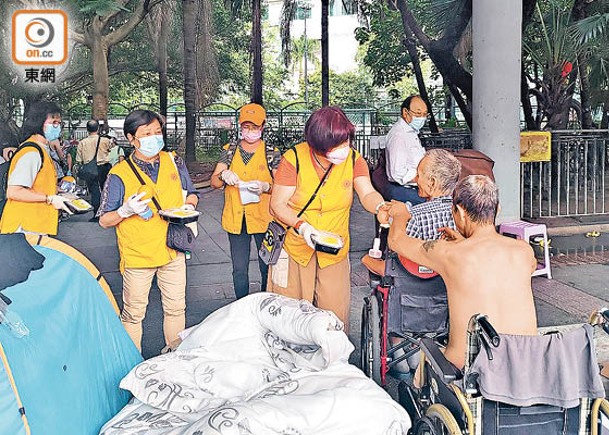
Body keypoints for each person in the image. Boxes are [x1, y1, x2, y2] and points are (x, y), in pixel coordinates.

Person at [384, 175, 538, 374]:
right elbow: (489, 263)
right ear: (497, 210)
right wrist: (460, 242)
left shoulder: (448, 253)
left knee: (425, 363)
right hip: (523, 368)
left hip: (468, 371)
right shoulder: (524, 252)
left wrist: (400, 215)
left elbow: (396, 241)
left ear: (461, 212)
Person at [269, 106, 388, 330]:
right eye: (336, 145)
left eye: (345, 142)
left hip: (334, 249)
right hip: (296, 247)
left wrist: (380, 206)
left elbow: (367, 192)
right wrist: (302, 227)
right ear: (317, 145)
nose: (343, 149)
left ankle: (332, 361)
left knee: (334, 317)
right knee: (290, 316)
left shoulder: (354, 160)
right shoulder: (293, 159)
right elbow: (277, 205)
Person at [98, 110, 199, 353]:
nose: (155, 137)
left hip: (172, 249)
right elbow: (104, 220)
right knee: (133, 314)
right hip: (138, 256)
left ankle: (173, 360)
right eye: (147, 134)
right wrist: (125, 210)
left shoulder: (174, 161)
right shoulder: (119, 174)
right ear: (131, 138)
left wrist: (189, 205)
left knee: (176, 308)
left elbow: (193, 192)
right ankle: (131, 363)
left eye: (158, 132)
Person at [210, 103, 280, 299]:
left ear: (263, 127)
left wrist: (266, 187)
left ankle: (266, 305)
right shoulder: (230, 151)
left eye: (255, 127)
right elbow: (214, 182)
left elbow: (282, 188)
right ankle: (241, 306)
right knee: (239, 269)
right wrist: (224, 174)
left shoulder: (271, 153)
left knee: (267, 266)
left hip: (264, 220)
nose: (250, 131)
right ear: (240, 126)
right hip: (236, 219)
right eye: (246, 127)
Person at [362, 148, 462, 276]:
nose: (415, 179)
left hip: (413, 289)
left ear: (432, 182)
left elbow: (396, 267)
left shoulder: (413, 216)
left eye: (419, 175)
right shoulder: (463, 217)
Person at [0, 101, 72, 235]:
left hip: (34, 225)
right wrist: (49, 198)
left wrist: (55, 190)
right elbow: (14, 191)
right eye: (53, 122)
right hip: (24, 229)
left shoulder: (42, 150)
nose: (58, 127)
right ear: (39, 122)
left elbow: (35, 183)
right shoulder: (32, 152)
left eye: (59, 123)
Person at [384, 95, 429, 205]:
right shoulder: (399, 135)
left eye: (425, 114)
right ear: (405, 113)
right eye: (418, 114)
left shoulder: (411, 132)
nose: (422, 118)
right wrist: (422, 179)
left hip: (415, 187)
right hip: (403, 190)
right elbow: (398, 172)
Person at [76, 120, 114, 221]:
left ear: (87, 129)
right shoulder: (105, 140)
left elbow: (79, 160)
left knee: (95, 191)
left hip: (90, 170)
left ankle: (97, 214)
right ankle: (107, 211)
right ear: (98, 128)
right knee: (106, 190)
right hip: (104, 167)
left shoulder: (82, 143)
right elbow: (112, 148)